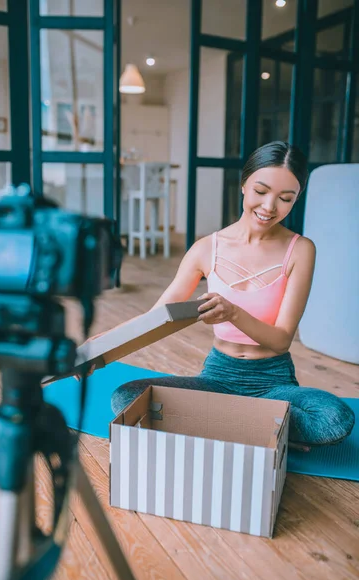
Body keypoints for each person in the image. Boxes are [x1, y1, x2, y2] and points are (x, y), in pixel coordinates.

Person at [100, 141, 355, 450]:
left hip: (273, 383)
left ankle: (223, 424)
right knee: (125, 397)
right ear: (244, 185)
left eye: (285, 199)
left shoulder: (300, 250)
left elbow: (281, 339)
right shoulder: (206, 248)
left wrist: (233, 313)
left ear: (295, 199)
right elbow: (155, 318)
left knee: (334, 418)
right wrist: (95, 352)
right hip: (218, 377)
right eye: (261, 192)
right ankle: (266, 429)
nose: (269, 207)